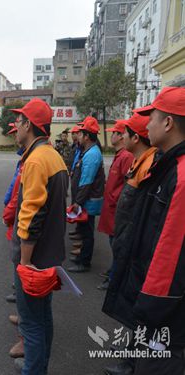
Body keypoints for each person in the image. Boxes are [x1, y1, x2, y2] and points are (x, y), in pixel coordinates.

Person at [104, 87, 185, 375]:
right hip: (149, 284)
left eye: (152, 117)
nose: (147, 124)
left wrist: (149, 305)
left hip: (163, 304)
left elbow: (170, 250)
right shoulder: (169, 164)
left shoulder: (180, 173)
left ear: (168, 123)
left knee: (158, 363)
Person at [10, 98, 68, 374]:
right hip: (50, 255)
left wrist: (24, 263)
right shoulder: (53, 156)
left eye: (19, 122)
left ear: (30, 125)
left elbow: (30, 217)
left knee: (32, 322)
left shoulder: (35, 161)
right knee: (43, 317)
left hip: (35, 260)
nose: (16, 127)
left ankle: (33, 369)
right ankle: (38, 366)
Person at [102, 113, 158, 375]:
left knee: (139, 305)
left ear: (136, 138)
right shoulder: (140, 160)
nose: (120, 137)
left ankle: (132, 363)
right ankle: (131, 350)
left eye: (124, 133)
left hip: (137, 247)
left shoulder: (150, 165)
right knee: (130, 301)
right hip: (127, 240)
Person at [96, 119, 134, 290]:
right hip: (112, 208)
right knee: (114, 243)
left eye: (114, 133)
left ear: (121, 136)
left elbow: (128, 185)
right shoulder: (121, 155)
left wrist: (113, 198)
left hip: (116, 209)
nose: (111, 136)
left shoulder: (126, 156)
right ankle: (114, 271)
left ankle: (115, 278)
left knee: (117, 245)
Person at [68, 116, 105, 273]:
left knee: (87, 232)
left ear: (87, 136)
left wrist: (78, 202)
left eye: (81, 134)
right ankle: (82, 256)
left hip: (87, 201)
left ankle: (84, 262)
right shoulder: (88, 151)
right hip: (85, 200)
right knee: (84, 230)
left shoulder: (92, 154)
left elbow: (86, 181)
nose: (78, 136)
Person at [2, 122, 25, 359]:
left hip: (23, 233)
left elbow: (20, 197)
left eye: (16, 129)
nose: (14, 135)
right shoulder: (26, 159)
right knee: (20, 279)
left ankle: (26, 341)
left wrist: (7, 214)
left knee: (25, 278)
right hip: (16, 227)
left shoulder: (35, 161)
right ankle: (23, 315)